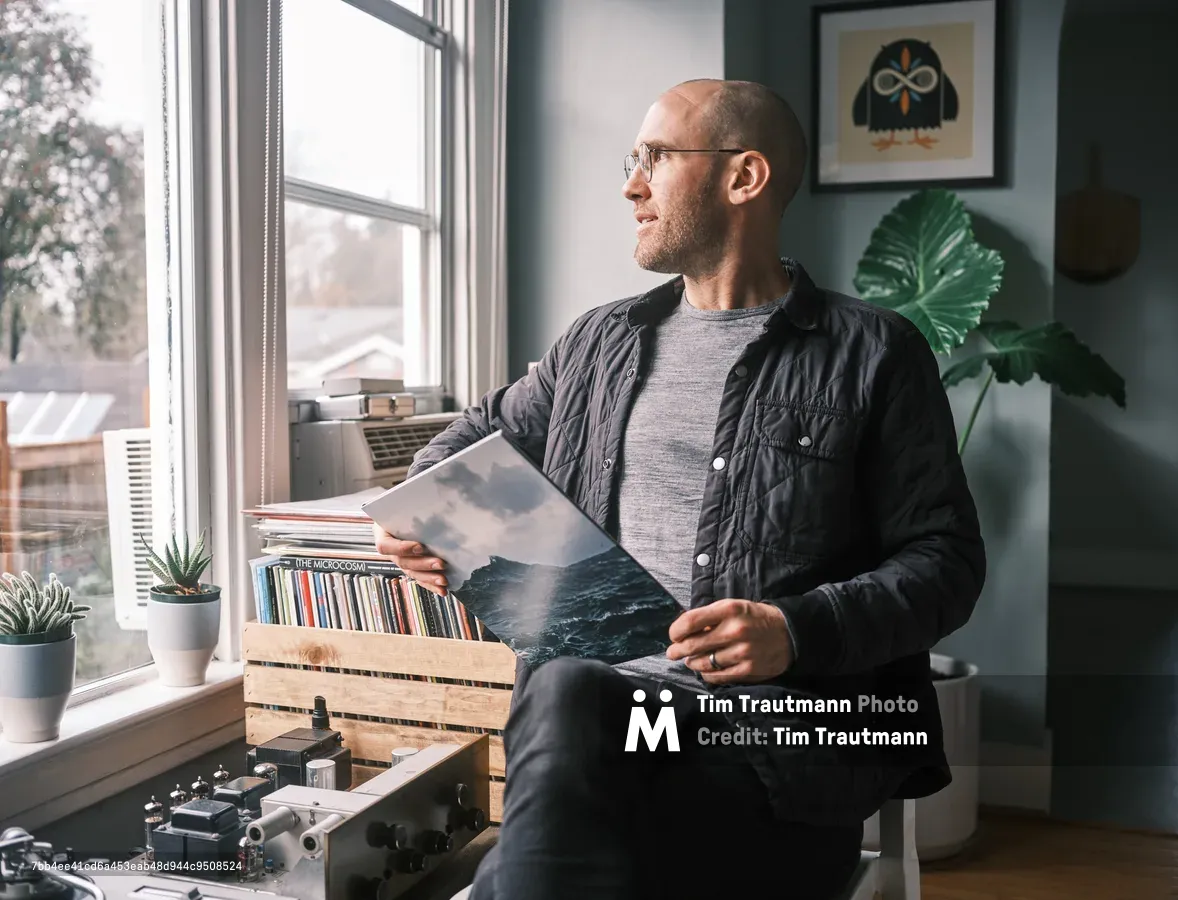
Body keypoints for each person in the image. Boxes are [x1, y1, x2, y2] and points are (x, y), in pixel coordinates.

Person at [375, 78, 985, 900]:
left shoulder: (874, 353)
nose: (632, 185)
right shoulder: (596, 344)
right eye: (633, 161)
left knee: (561, 810)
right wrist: (414, 517)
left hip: (775, 751)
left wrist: (796, 631)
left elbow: (946, 562)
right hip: (593, 736)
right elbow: (469, 439)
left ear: (744, 177)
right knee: (570, 693)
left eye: (656, 157)